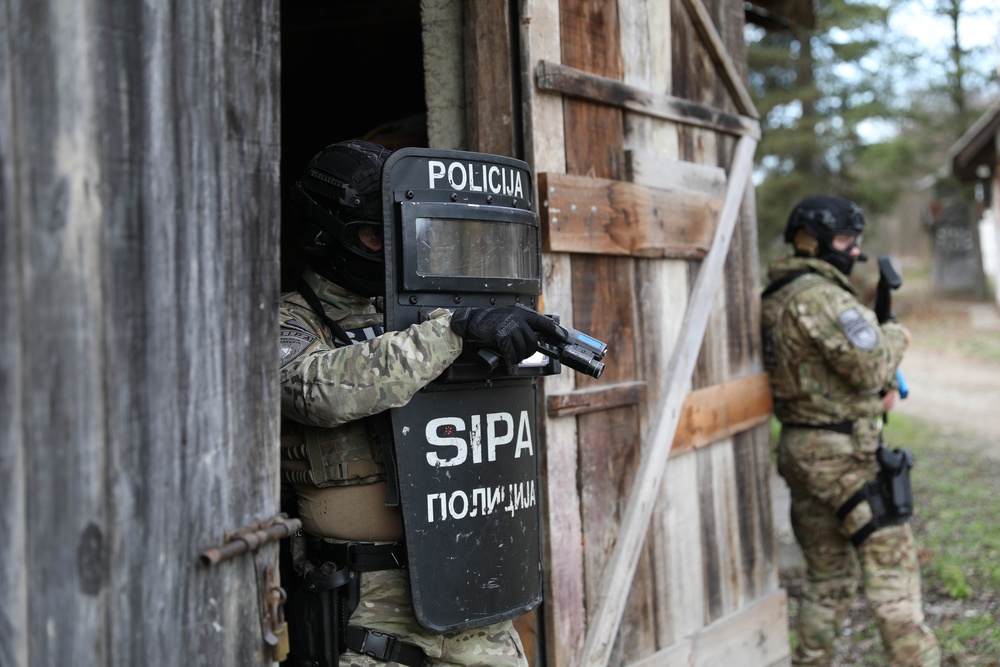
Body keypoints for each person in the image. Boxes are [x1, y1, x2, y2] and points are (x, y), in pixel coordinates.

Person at [278, 139, 561, 667]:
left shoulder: (424, 313)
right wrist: (452, 333)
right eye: (372, 236)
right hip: (365, 602)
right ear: (325, 233)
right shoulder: (289, 322)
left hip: (468, 577)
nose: (390, 250)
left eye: (398, 235)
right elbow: (318, 392)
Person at [760, 195, 940, 666]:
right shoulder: (821, 296)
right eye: (844, 241)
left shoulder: (777, 295)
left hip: (803, 453)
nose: (854, 252)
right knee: (894, 581)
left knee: (828, 581)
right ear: (811, 241)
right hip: (843, 460)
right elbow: (871, 363)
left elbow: (822, 377)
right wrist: (895, 335)